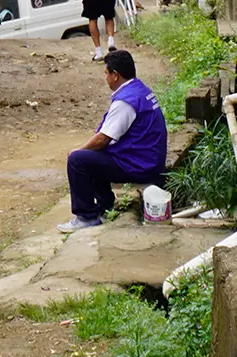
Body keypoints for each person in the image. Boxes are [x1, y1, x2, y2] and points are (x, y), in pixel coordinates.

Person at [60, 49, 168, 232]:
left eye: (106, 73)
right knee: (94, 155)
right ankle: (105, 206)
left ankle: (86, 216)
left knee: (78, 160)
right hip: (148, 158)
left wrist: (78, 150)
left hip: (140, 165)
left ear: (115, 75)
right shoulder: (140, 90)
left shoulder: (125, 102)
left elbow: (103, 138)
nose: (106, 78)